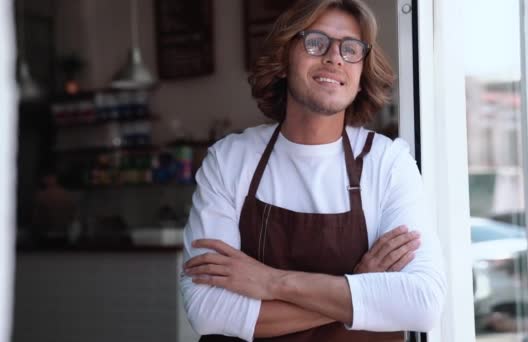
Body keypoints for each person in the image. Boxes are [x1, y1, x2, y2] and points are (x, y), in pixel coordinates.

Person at [180, 0, 446, 340]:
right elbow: (207, 310)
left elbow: (422, 303)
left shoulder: (387, 163)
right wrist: (358, 285)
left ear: (361, 74)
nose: (335, 57)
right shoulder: (230, 160)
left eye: (351, 49)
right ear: (284, 60)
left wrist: (272, 282)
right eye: (316, 42)